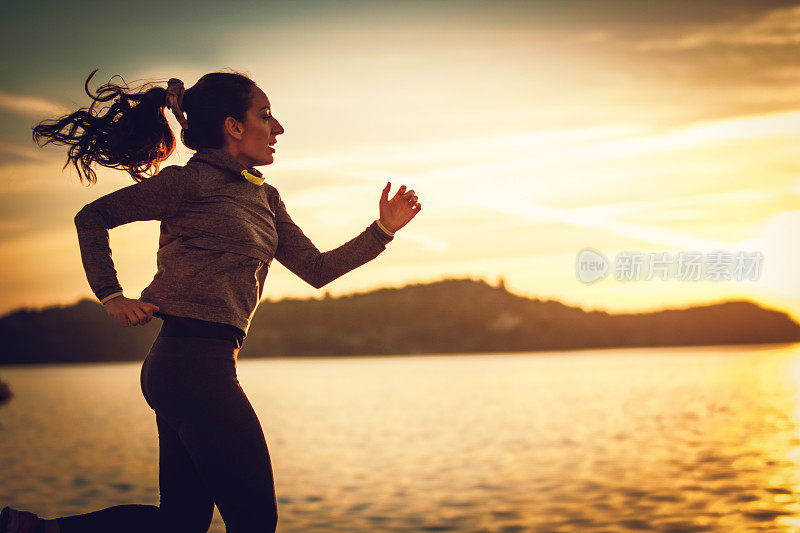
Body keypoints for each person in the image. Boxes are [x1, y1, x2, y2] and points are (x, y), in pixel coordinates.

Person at [1, 68, 421, 533]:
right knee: (256, 521)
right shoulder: (190, 182)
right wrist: (111, 295)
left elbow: (317, 270)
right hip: (189, 364)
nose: (278, 128)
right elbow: (93, 216)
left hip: (202, 365)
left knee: (180, 524)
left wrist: (381, 231)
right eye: (266, 115)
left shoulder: (264, 197)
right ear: (233, 126)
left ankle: (30, 529)